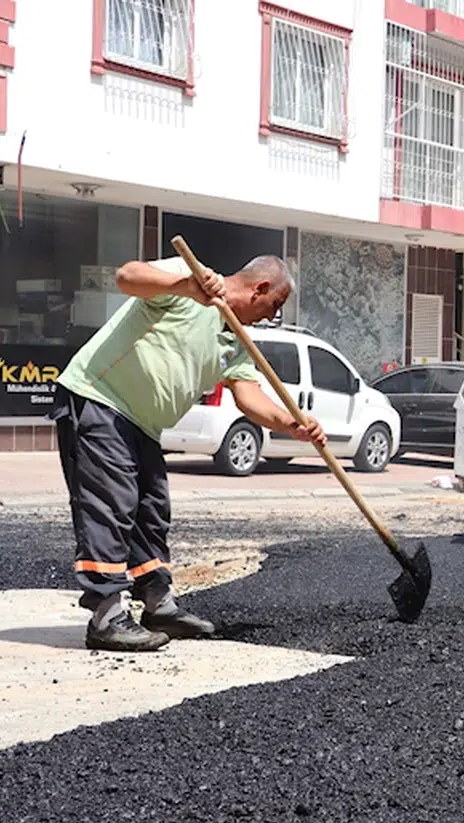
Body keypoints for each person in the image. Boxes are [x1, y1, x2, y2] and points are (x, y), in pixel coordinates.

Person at [51, 254, 326, 652]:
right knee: (110, 508)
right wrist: (184, 287)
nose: (270, 317)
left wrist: (291, 425)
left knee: (151, 511)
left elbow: (249, 397)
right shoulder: (193, 277)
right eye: (274, 306)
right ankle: (106, 617)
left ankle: (158, 605)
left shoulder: (235, 337)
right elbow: (127, 276)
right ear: (259, 289)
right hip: (100, 400)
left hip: (143, 423)